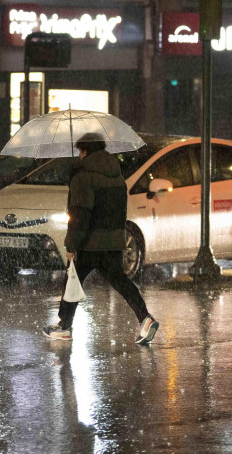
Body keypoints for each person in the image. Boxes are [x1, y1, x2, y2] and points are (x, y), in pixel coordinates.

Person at [43, 133, 159, 345]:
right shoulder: (117, 175)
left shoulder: (83, 176)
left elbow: (79, 214)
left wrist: (71, 245)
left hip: (89, 243)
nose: (78, 155)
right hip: (113, 241)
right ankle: (145, 318)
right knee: (120, 281)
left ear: (85, 151)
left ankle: (64, 326)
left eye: (80, 151)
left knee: (72, 278)